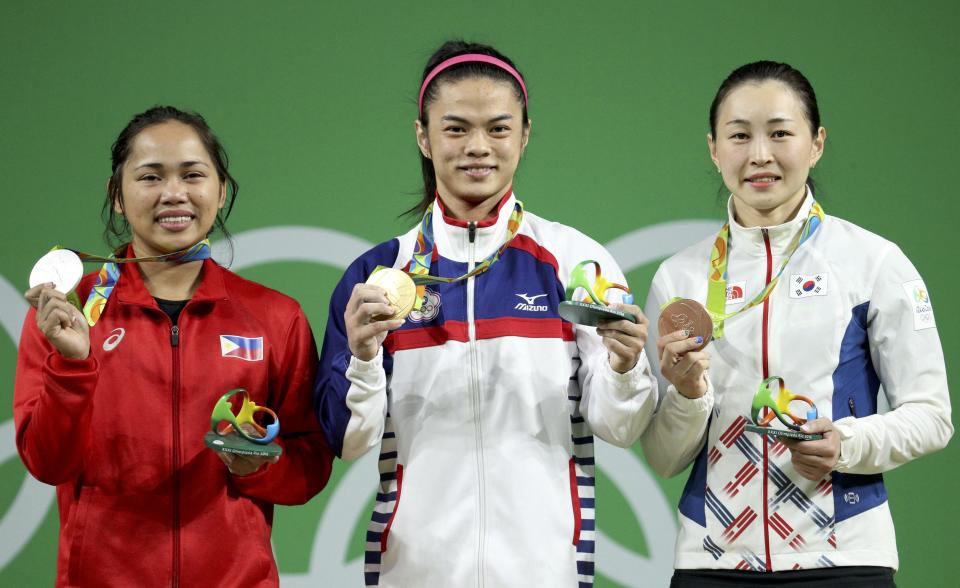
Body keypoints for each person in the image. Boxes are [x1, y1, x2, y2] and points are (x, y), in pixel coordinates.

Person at [315, 40, 657, 587]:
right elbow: (351, 442)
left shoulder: (575, 262)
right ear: (423, 137)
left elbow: (620, 426)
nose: (478, 147)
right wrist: (361, 358)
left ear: (524, 135)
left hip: (545, 573)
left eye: (498, 128)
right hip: (413, 573)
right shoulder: (378, 276)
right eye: (455, 129)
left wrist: (625, 368)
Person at [641, 61, 953, 587]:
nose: (759, 154)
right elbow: (665, 458)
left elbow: (932, 416)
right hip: (712, 563)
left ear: (817, 143)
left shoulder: (874, 263)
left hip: (844, 558)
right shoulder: (681, 278)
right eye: (739, 136)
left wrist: (846, 443)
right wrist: (690, 395)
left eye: (780, 133)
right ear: (715, 149)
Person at [14, 106, 333, 587]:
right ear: (117, 196)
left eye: (193, 175)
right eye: (150, 176)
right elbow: (47, 463)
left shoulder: (274, 317)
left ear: (220, 190)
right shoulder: (68, 313)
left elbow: (309, 466)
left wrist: (257, 468)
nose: (173, 193)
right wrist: (72, 364)